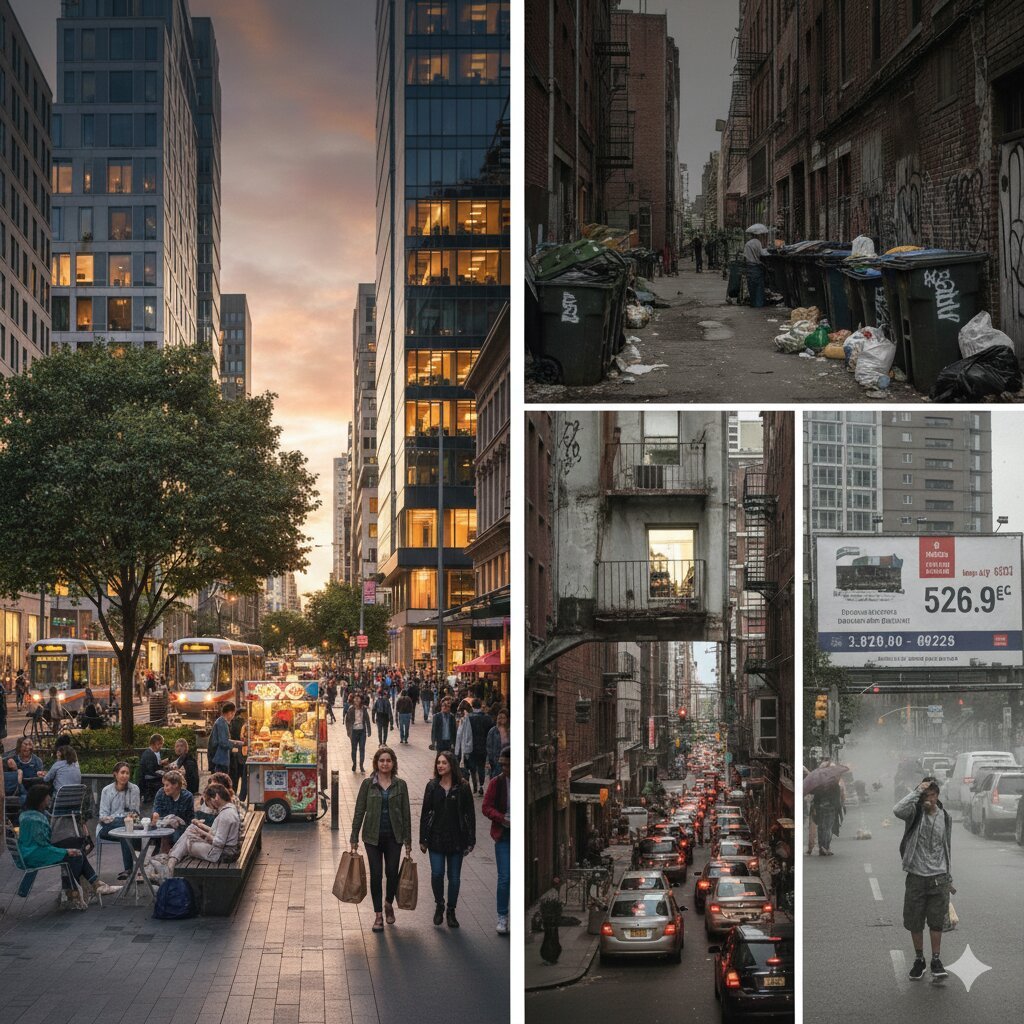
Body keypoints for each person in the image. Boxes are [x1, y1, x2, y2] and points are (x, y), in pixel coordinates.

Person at [17, 784, 120, 909]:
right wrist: (65, 852)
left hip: (32, 852)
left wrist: (66, 850)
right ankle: (73, 892)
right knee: (75, 854)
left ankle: (91, 886)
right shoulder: (35, 820)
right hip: (35, 855)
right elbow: (42, 847)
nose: (50, 798)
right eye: (48, 796)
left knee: (75, 846)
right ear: (41, 799)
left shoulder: (28, 815)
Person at [894, 777, 953, 981]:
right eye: (926, 796)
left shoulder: (945, 817)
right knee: (915, 921)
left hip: (939, 877)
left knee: (936, 922)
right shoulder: (914, 813)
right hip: (916, 876)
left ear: (938, 796)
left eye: (933, 795)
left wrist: (948, 875)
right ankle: (919, 960)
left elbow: (947, 847)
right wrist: (917, 791)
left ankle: (936, 960)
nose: (930, 799)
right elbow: (897, 810)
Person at [350, 746, 412, 933]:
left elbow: (406, 814)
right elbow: (359, 811)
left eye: (388, 760)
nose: (385, 764)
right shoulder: (368, 785)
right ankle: (378, 915)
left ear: (393, 763)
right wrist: (354, 837)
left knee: (392, 873)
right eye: (382, 760)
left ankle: (388, 903)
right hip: (372, 837)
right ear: (376, 763)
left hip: (394, 837)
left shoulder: (400, 785)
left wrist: (408, 841)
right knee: (376, 875)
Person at [420, 750, 474, 928]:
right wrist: (423, 839)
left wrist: (471, 839)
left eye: (444, 763)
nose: (440, 765)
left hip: (456, 838)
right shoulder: (432, 786)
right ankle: (439, 904)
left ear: (452, 765)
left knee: (454, 877)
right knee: (437, 874)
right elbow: (425, 813)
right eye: (438, 762)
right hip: (436, 838)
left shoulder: (463, 787)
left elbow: (470, 814)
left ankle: (451, 910)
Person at [166, 783, 241, 872]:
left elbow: (219, 842)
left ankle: (172, 861)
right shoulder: (230, 809)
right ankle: (173, 858)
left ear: (216, 797)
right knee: (192, 828)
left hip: (222, 854)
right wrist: (200, 826)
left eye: (209, 802)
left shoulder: (225, 815)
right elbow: (218, 833)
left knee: (187, 841)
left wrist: (201, 832)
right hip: (225, 851)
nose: (210, 806)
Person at [482, 746, 510, 935]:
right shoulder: (496, 783)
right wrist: (502, 818)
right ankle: (502, 916)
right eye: (502, 765)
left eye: (507, 765)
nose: (504, 768)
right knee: (504, 877)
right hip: (504, 835)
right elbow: (486, 807)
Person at [98, 761, 142, 880]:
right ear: (115, 774)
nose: (125, 776)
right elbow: (103, 816)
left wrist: (129, 819)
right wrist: (120, 820)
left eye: (127, 773)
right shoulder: (107, 790)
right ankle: (138, 870)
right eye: (122, 772)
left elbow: (136, 813)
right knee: (127, 828)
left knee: (127, 831)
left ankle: (130, 869)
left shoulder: (134, 789)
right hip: (108, 826)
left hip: (129, 825)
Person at [151, 769, 194, 854]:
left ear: (176, 785)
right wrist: (156, 815)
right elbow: (156, 812)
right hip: (162, 825)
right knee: (154, 834)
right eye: (164, 785)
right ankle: (161, 855)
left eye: (167, 785)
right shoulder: (161, 793)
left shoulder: (187, 796)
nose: (165, 788)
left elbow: (188, 819)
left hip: (181, 828)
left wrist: (175, 820)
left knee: (174, 835)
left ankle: (169, 856)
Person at [466, 699, 493, 795]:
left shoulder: (468, 718)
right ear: (481, 706)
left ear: (472, 706)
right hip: (483, 746)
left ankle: (474, 785)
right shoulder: (487, 718)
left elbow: (466, 734)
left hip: (471, 746)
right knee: (481, 766)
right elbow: (490, 732)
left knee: (472, 766)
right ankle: (481, 785)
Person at [813, 777, 843, 856]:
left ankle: (821, 847)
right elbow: (837, 800)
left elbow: (815, 799)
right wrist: (838, 810)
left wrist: (816, 808)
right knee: (828, 828)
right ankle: (826, 847)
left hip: (820, 809)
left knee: (821, 828)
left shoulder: (819, 785)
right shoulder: (835, 785)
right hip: (830, 809)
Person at [210, 702, 243, 775]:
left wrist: (237, 743)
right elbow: (224, 743)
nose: (233, 716)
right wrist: (237, 744)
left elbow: (225, 740)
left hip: (221, 759)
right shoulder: (222, 723)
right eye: (233, 714)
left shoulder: (221, 721)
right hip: (220, 759)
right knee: (221, 779)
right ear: (230, 713)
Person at [137, 733, 167, 802]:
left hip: (149, 777)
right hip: (146, 780)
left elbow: (154, 767)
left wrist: (163, 768)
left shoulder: (151, 753)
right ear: (152, 744)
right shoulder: (148, 754)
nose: (160, 746)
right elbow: (150, 771)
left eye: (161, 744)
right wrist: (163, 774)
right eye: (159, 744)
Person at [345, 692, 371, 772]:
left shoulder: (364, 709)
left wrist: (369, 730)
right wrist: (349, 732)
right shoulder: (351, 709)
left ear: (360, 700)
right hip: (354, 732)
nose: (356, 699)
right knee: (354, 749)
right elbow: (347, 721)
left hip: (362, 731)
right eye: (355, 698)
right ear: (353, 700)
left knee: (362, 749)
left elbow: (367, 720)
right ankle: (354, 764)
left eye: (358, 698)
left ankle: (361, 765)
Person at [743, 229, 767, 307]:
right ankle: (759, 303)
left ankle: (753, 303)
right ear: (758, 235)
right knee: (759, 287)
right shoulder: (758, 242)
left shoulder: (747, 244)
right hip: (757, 266)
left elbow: (745, 256)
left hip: (749, 267)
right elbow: (761, 254)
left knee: (751, 286)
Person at [486, 708, 509, 779]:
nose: (501, 719)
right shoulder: (492, 731)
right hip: (496, 760)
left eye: (503, 717)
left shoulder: (509, 731)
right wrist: (490, 761)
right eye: (499, 717)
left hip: (507, 759)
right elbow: (489, 747)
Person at [228, 710, 248, 794]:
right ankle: (241, 794)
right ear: (242, 714)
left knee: (235, 775)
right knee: (242, 774)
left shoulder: (232, 722)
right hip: (241, 751)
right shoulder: (243, 723)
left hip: (234, 751)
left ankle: (234, 792)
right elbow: (242, 738)